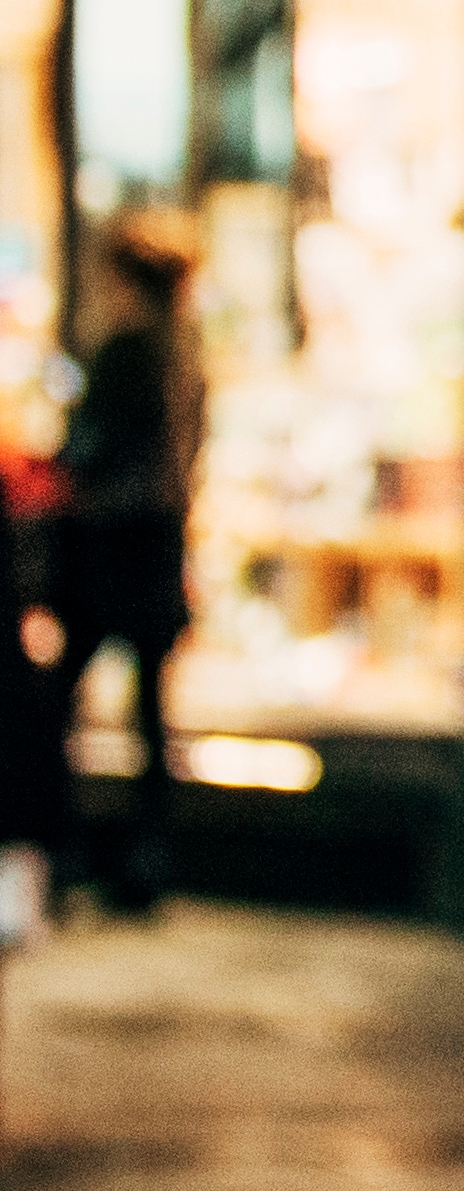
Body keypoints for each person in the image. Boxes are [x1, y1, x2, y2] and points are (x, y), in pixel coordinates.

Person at [47, 223, 199, 917]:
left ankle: (61, 847)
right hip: (159, 546)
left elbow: (87, 450)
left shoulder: (129, 351)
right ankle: (147, 856)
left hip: (112, 546)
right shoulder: (184, 354)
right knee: (147, 711)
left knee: (58, 700)